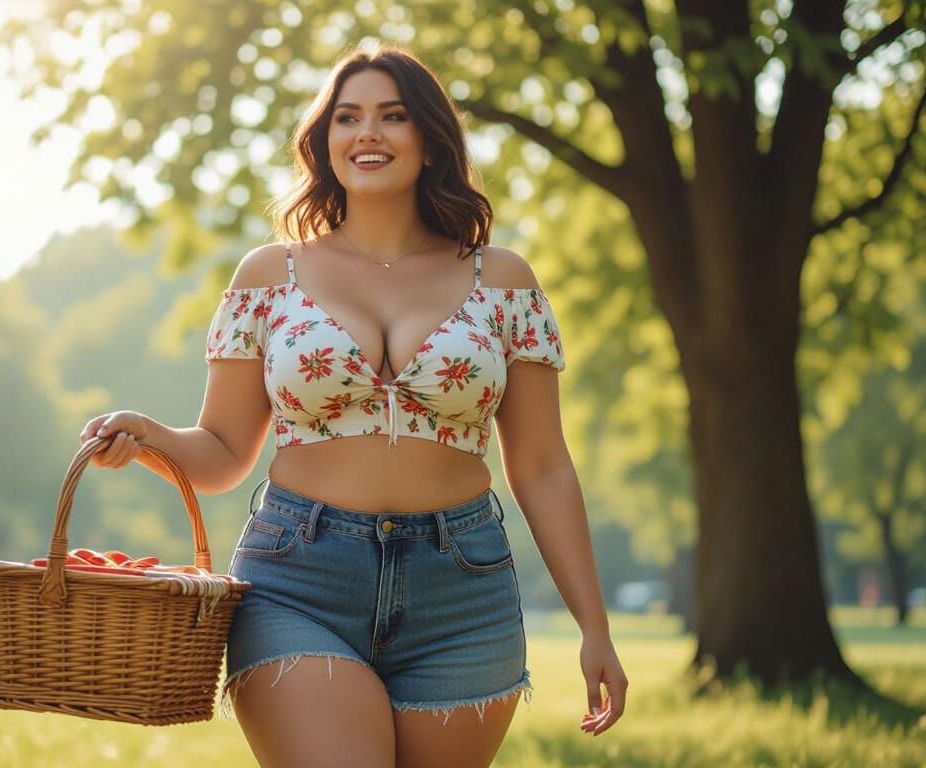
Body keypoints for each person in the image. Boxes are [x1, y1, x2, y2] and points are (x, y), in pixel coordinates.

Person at [79, 42, 626, 768]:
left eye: (392, 116)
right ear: (325, 142)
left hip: (462, 589)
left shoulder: (503, 281)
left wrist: (596, 627)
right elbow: (222, 452)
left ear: (430, 141)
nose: (367, 133)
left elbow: (543, 467)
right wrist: (149, 435)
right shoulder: (271, 275)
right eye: (348, 118)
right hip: (298, 579)